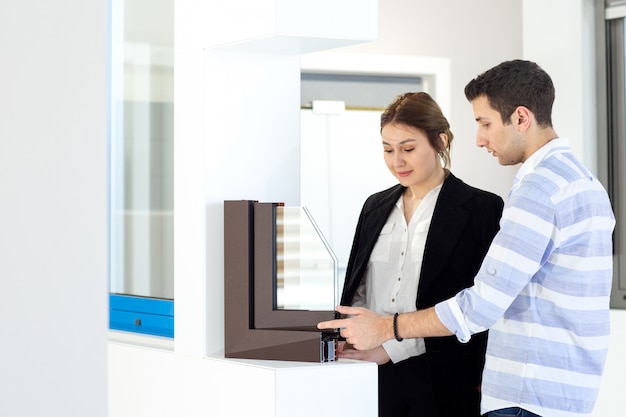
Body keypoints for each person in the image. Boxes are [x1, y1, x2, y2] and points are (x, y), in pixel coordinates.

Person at [319, 60, 616, 417]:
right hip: (557, 393)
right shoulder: (579, 181)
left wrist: (386, 329)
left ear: (521, 118)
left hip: (522, 394)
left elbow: (481, 306)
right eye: (387, 148)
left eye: (485, 123)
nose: (479, 138)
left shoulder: (536, 190)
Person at [337, 91, 504, 417]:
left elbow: (483, 306)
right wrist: (355, 337)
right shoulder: (374, 206)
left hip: (445, 373)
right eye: (387, 149)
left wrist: (391, 345)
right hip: (373, 371)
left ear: (440, 142)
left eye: (408, 149)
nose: (396, 161)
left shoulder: (483, 209)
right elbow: (359, 288)